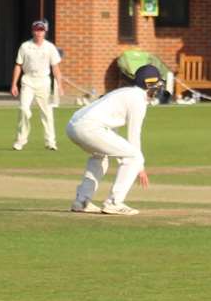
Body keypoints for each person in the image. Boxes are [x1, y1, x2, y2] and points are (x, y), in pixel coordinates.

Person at [67, 64, 164, 215]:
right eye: (157, 84)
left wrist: (122, 156)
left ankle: (81, 202)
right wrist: (140, 167)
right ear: (149, 84)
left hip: (74, 125)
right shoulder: (138, 100)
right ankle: (114, 202)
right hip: (90, 127)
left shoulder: (125, 93)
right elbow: (134, 135)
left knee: (100, 157)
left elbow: (112, 134)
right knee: (134, 156)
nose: (158, 89)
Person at [11, 19, 63, 151]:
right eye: (36, 30)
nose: (39, 33)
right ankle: (20, 140)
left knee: (46, 112)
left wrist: (60, 85)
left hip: (43, 81)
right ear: (32, 31)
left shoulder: (50, 47)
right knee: (23, 109)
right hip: (28, 80)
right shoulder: (25, 46)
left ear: (45, 32)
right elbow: (18, 65)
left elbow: (55, 68)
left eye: (41, 30)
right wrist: (14, 84)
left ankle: (50, 141)